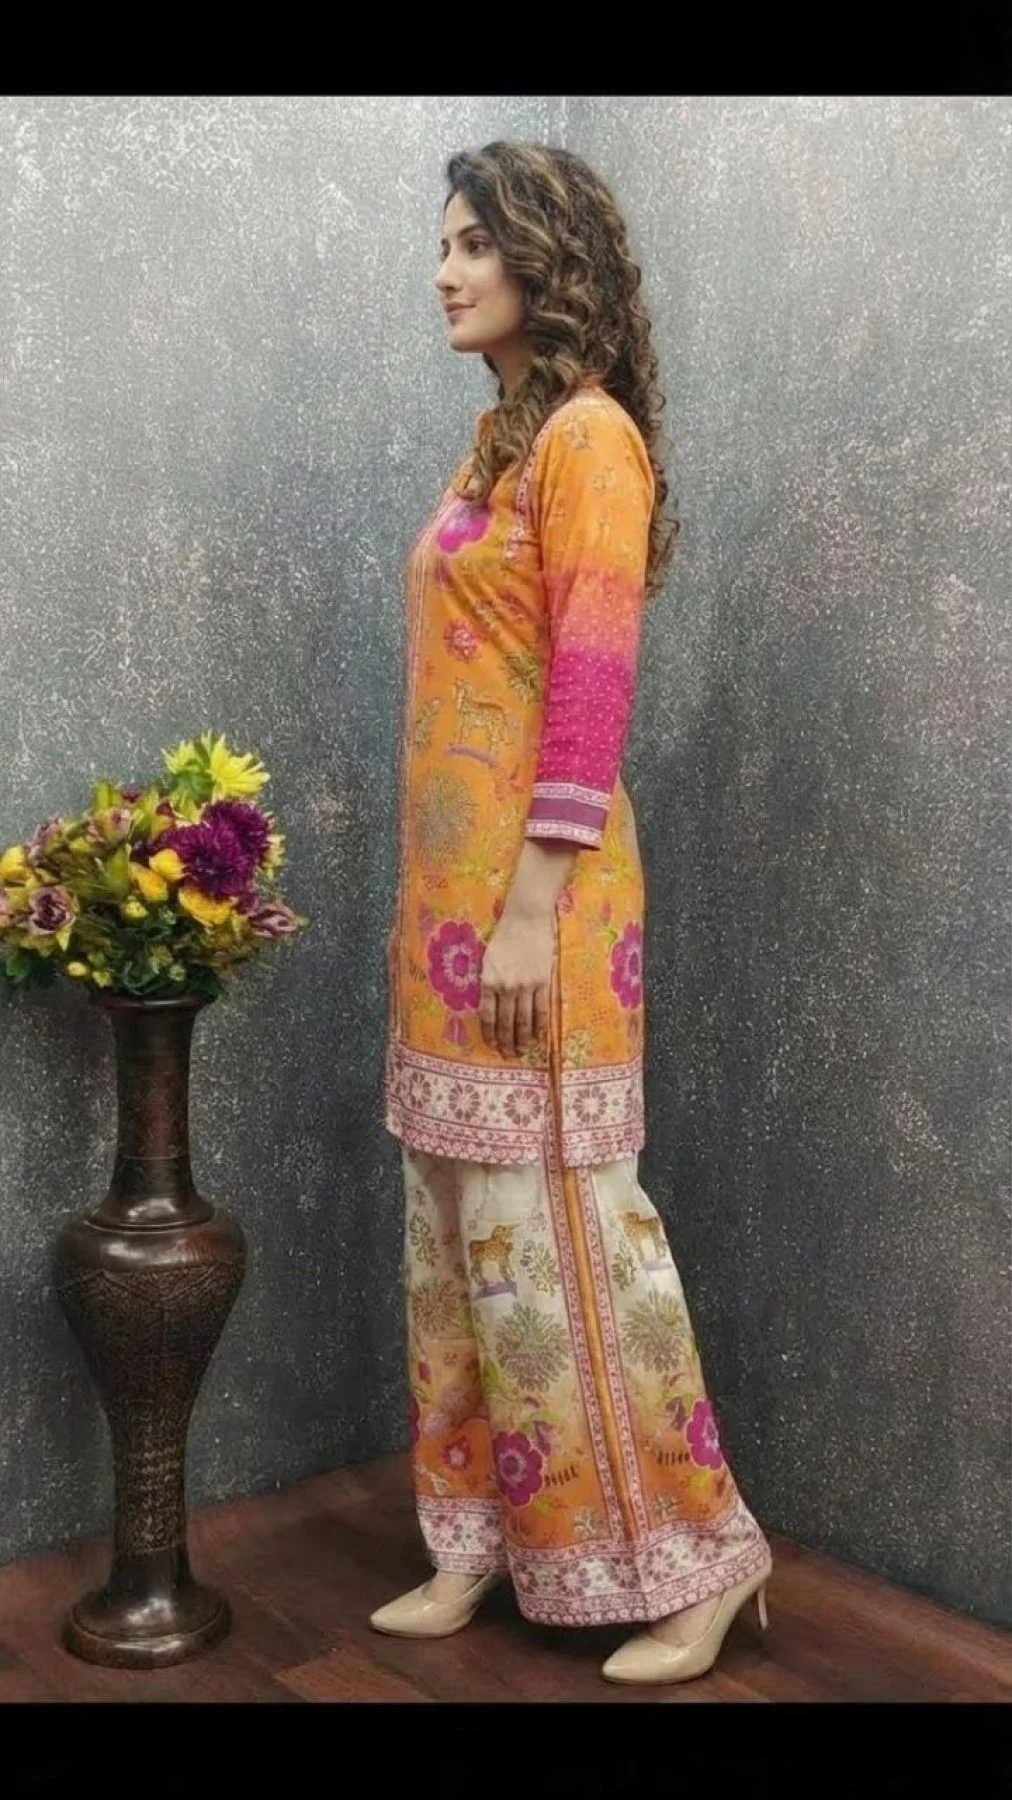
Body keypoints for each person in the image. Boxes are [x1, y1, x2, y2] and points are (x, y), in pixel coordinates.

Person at [373, 141, 773, 1685]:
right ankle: (477, 1537)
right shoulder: (495, 446)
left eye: (476, 244)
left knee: (572, 1241)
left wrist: (533, 906)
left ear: (549, 259)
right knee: (456, 1239)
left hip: (543, 910)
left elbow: (592, 690)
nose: (447, 272)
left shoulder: (590, 440)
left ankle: (705, 1561)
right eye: (445, 244)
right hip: (448, 919)